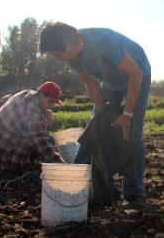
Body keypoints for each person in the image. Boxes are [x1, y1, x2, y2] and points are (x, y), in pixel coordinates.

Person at [39, 22, 151, 207]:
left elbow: (135, 74)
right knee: (94, 130)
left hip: (138, 75)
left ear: (67, 46)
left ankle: (135, 194)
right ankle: (80, 184)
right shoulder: (72, 57)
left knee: (131, 131)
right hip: (110, 82)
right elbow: (92, 86)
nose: (59, 59)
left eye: (57, 55)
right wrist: (101, 119)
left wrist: (127, 114)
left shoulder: (103, 42)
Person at [0, 82, 65, 171]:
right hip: (5, 162)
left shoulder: (26, 94)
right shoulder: (33, 113)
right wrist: (63, 167)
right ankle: (22, 167)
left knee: (47, 140)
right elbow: (42, 145)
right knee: (50, 141)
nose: (51, 105)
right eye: (50, 101)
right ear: (41, 94)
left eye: (54, 102)